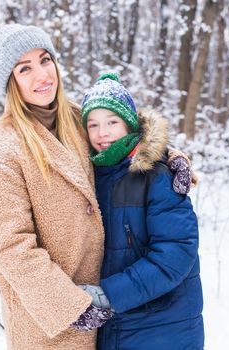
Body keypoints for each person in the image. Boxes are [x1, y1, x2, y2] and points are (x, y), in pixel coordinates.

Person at [0, 24, 111, 350]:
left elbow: (129, 140)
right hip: (50, 328)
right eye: (25, 68)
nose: (42, 75)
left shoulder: (81, 121)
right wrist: (71, 306)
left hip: (107, 306)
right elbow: (12, 246)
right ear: (11, 83)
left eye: (45, 60)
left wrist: (166, 158)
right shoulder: (4, 149)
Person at [79, 73, 204, 350]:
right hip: (120, 326)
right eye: (93, 124)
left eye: (112, 122)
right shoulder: (92, 176)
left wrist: (108, 295)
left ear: (129, 124)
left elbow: (175, 254)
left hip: (164, 327)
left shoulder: (157, 176)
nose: (103, 133)